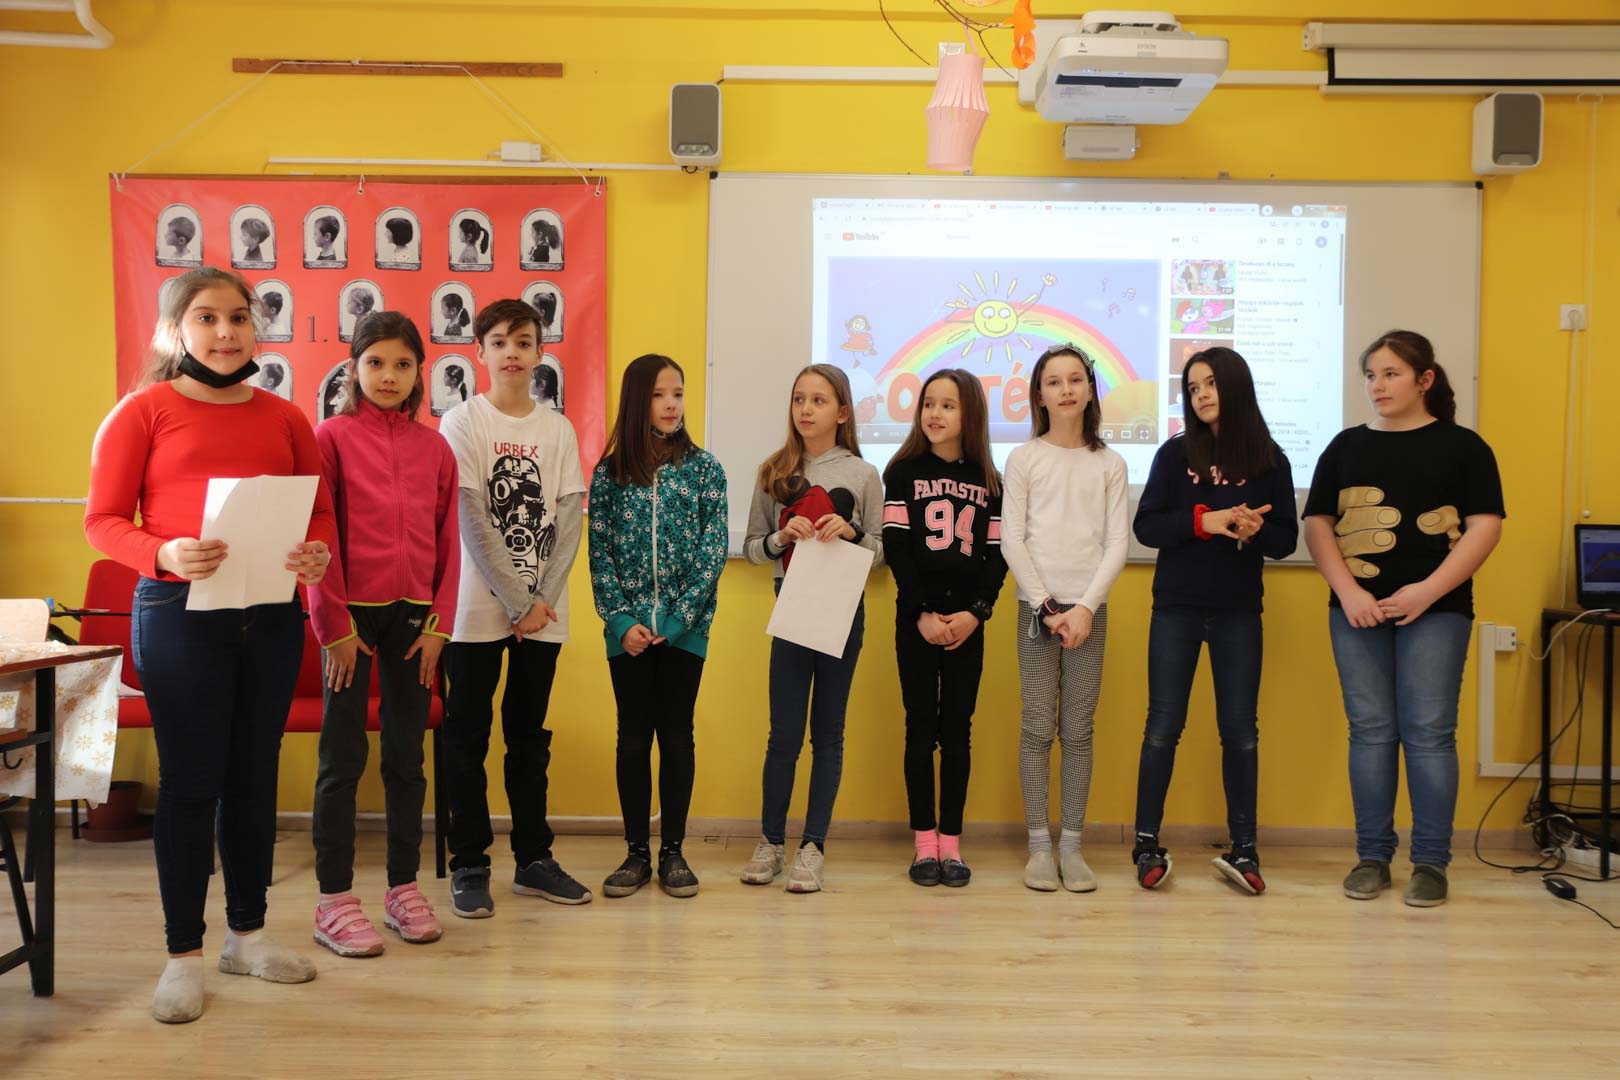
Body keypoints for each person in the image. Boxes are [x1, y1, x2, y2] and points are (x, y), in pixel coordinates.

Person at [83, 266, 336, 1023]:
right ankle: (182, 955)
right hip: (178, 614)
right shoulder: (141, 412)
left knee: (254, 778)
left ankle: (247, 937)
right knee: (191, 785)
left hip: (271, 615)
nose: (226, 332)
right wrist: (162, 552)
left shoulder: (286, 417)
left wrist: (317, 555)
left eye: (238, 317)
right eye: (206, 317)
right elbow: (101, 521)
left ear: (255, 328)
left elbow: (319, 514)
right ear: (175, 330)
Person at [1304, 329, 1504, 908]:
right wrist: (1348, 593)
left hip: (1437, 611)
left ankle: (1431, 864)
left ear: (1424, 380)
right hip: (1356, 611)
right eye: (1371, 375)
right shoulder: (1345, 446)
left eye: (1391, 373)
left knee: (1430, 735)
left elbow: (1485, 527)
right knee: (1370, 732)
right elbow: (1317, 524)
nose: (1378, 385)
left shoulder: (1464, 447)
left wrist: (1426, 592)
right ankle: (1372, 858)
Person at [306, 311, 460, 956]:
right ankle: (335, 899)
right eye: (375, 363)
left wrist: (439, 627)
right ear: (353, 369)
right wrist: (333, 626)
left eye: (402, 364)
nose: (389, 375)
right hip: (351, 619)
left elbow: (450, 542)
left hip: (414, 622)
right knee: (342, 758)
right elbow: (316, 534)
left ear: (419, 372)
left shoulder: (436, 448)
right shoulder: (330, 438)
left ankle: (403, 887)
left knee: (406, 758)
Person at [437, 298, 592, 917]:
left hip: (542, 618)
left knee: (528, 739)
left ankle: (533, 860)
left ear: (539, 353)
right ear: (479, 352)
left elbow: (570, 517)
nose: (511, 353)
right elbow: (471, 516)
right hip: (476, 613)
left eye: (523, 342)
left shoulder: (558, 429)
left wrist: (540, 602)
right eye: (498, 342)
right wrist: (517, 600)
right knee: (466, 738)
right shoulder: (462, 422)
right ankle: (470, 863)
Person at [1130, 346, 1297, 895]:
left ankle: (1245, 848)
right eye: (1193, 387)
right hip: (1176, 607)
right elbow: (1147, 527)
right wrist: (1206, 521)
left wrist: (1254, 529)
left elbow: (1286, 540)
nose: (1200, 395)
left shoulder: (1270, 459)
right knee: (1163, 726)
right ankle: (1146, 845)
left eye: (1210, 384)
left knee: (1240, 732)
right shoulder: (1174, 454)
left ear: (1235, 386)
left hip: (1238, 610)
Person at [740, 364, 884, 893]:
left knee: (828, 733)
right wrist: (781, 538)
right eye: (799, 398)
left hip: (843, 611)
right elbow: (752, 549)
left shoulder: (864, 475)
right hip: (793, 610)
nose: (805, 409)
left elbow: (882, 553)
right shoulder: (773, 471)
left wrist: (852, 534)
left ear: (842, 412)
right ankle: (771, 841)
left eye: (818, 400)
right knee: (783, 734)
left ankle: (813, 846)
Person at [589, 354, 728, 899]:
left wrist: (677, 619)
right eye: (659, 394)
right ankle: (636, 854)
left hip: (684, 632)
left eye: (679, 393)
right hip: (626, 635)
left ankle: (673, 852)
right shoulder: (610, 474)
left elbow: (712, 551)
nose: (672, 404)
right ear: (637, 400)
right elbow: (599, 554)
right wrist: (621, 620)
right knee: (632, 737)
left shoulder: (705, 470)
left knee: (676, 736)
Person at [1000, 344, 1128, 893]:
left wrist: (1085, 608)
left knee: (1078, 729)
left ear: (1091, 389)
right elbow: (1012, 539)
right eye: (1054, 381)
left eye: (1076, 379)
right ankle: (1038, 846)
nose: (1066, 389)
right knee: (1036, 726)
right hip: (1037, 612)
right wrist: (1046, 607)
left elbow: (1117, 544)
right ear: (1040, 395)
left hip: (1088, 614)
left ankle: (1071, 846)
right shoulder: (1024, 459)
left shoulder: (1110, 463)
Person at [880, 369, 1006, 888]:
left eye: (948, 405)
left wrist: (976, 613)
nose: (935, 413)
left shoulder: (990, 481)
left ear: (969, 414)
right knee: (919, 730)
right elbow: (897, 548)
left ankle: (951, 845)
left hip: (967, 624)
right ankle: (924, 845)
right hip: (918, 622)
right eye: (929, 403)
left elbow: (997, 556)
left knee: (957, 734)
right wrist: (921, 613)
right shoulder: (902, 471)